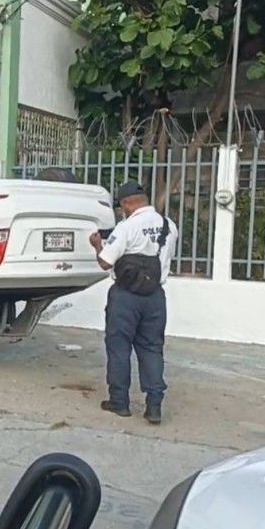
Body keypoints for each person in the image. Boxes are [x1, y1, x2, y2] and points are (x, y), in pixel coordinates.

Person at [88, 181, 179, 425]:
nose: (122, 211)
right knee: (151, 348)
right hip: (155, 297)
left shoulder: (126, 227)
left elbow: (105, 263)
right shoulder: (169, 226)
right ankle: (154, 406)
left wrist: (98, 244)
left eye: (122, 206)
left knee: (119, 348)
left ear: (128, 203)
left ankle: (120, 403)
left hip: (126, 297)